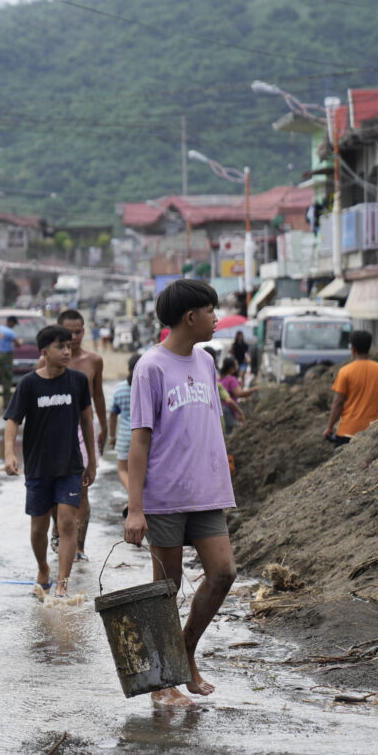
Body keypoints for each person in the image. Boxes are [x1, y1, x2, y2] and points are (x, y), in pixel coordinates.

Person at [124, 279, 238, 708]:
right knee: (165, 589)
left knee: (224, 572)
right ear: (190, 317)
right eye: (211, 310)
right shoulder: (150, 367)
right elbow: (140, 440)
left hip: (208, 492)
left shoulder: (206, 361)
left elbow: (208, 421)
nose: (216, 318)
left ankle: (185, 652)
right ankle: (164, 682)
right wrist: (136, 508)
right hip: (166, 495)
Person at [3, 325, 96, 598]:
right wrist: (9, 453)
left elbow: (87, 421)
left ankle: (63, 582)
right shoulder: (29, 384)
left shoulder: (78, 381)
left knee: (68, 523)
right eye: (60, 347)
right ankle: (43, 568)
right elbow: (12, 421)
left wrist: (90, 461)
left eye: (69, 346)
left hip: (69, 465)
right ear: (44, 352)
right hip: (38, 467)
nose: (67, 351)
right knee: (38, 528)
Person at [44, 309, 107, 562]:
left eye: (79, 331)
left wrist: (104, 428)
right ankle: (59, 529)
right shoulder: (46, 361)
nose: (74, 337)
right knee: (52, 489)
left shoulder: (94, 361)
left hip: (83, 429)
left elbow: (98, 395)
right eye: (69, 332)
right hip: (55, 432)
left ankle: (78, 546)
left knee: (82, 489)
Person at [323, 330, 378, 447]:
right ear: (369, 347)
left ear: (353, 349)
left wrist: (329, 427)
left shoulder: (345, 372)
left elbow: (338, 402)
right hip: (372, 431)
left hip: (347, 432)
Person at [109, 352, 141, 510]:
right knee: (142, 470)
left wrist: (112, 436)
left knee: (123, 470)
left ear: (128, 369)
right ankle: (137, 499)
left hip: (124, 437)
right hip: (145, 436)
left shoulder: (120, 389)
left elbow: (113, 414)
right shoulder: (148, 387)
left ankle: (133, 498)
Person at [218, 358, 255, 435]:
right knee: (229, 433)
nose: (238, 367)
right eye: (236, 365)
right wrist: (253, 390)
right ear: (232, 369)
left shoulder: (219, 379)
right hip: (229, 410)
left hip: (220, 411)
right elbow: (239, 393)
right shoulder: (232, 379)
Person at [0, 315, 20, 408]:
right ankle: (7, 403)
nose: (14, 326)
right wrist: (20, 342)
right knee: (7, 379)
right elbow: (17, 343)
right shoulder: (10, 332)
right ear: (10, 322)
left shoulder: (0, 329)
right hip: (7, 357)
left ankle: (6, 402)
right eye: (14, 324)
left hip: (1, 355)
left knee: (4, 378)